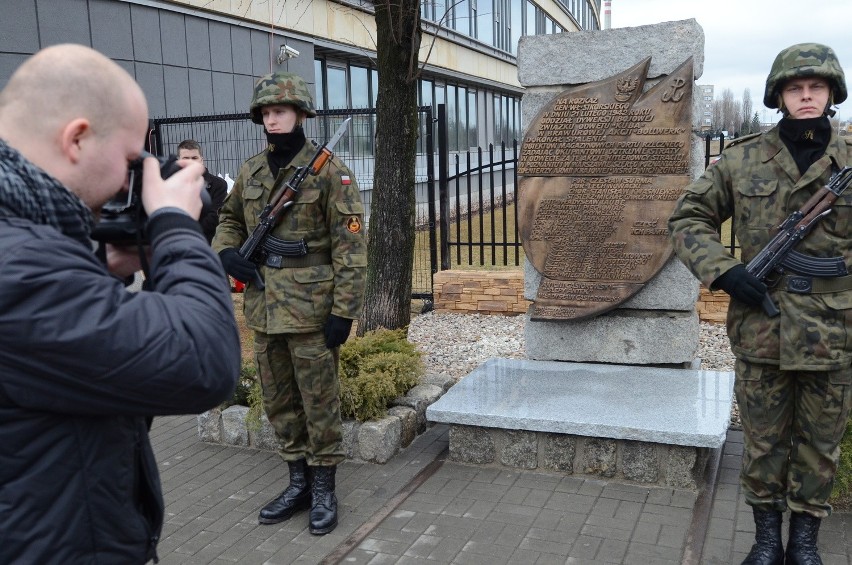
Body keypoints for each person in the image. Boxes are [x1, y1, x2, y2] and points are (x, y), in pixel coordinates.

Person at [0, 44, 241, 563]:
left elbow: (125, 376)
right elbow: (205, 361)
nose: (134, 180)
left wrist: (101, 271)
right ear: (77, 139)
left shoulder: (25, 243)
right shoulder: (18, 268)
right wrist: (175, 226)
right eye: (133, 160)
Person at [669, 43, 852, 565]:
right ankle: (767, 541)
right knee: (763, 443)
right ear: (779, 95)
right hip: (761, 329)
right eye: (796, 88)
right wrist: (724, 270)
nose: (807, 96)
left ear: (832, 93)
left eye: (817, 87)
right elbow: (687, 219)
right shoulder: (744, 157)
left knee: (819, 447)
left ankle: (807, 545)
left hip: (832, 333)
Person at [213, 72, 367, 535]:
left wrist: (344, 312)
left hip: (313, 309)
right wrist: (226, 252)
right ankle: (297, 481)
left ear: (301, 113)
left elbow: (351, 248)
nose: (271, 119)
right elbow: (229, 218)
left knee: (318, 402)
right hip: (264, 306)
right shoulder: (252, 170)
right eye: (265, 113)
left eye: (280, 111)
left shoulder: (329, 171)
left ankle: (324, 487)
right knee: (280, 401)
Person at [177, 139, 228, 242]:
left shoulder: (218, 185)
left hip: (209, 243)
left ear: (201, 159)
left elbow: (215, 217)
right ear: (179, 161)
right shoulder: (171, 185)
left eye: (194, 158)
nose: (191, 162)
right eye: (186, 158)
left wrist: (188, 229)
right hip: (179, 244)